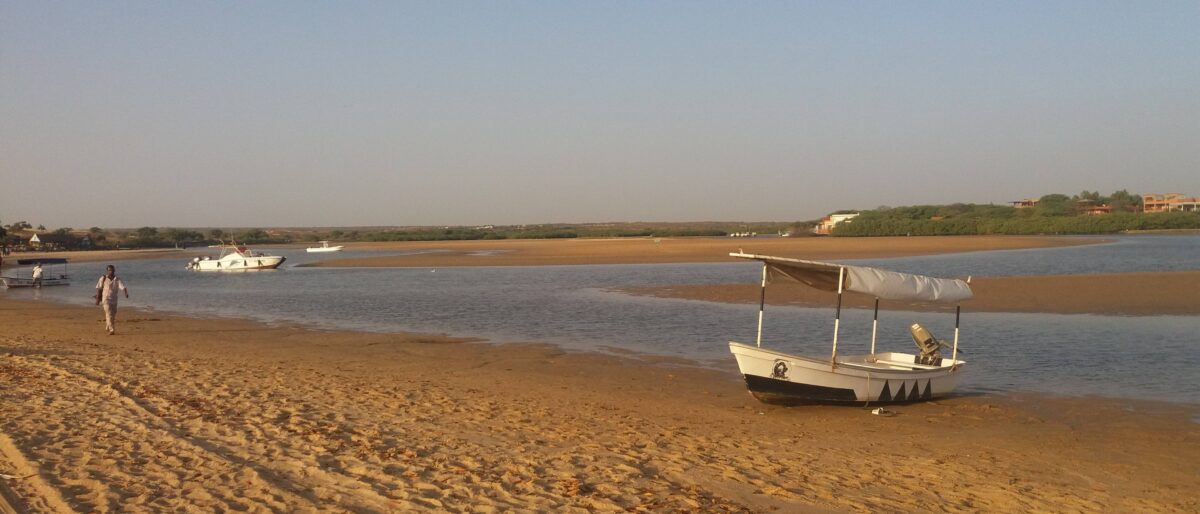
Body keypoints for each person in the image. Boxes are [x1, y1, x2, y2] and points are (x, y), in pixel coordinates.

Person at [95, 265, 130, 335]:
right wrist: (98, 299)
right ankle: (112, 330)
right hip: (105, 299)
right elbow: (99, 288)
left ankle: (108, 326)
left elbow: (123, 287)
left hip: (114, 300)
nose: (111, 271)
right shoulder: (103, 278)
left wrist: (125, 293)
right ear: (107, 271)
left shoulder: (117, 279)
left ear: (114, 270)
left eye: (112, 270)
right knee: (109, 314)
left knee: (113, 315)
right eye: (109, 270)